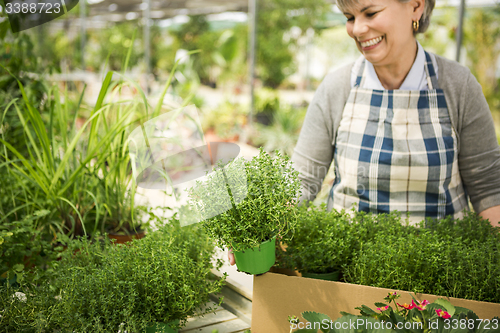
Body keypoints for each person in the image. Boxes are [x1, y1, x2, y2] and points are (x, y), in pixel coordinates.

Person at [228, 0, 500, 266]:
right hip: (349, 272)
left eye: (370, 12)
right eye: (350, 17)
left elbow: (488, 188)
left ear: (415, 6)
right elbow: (303, 177)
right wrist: (257, 225)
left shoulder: (457, 85)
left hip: (441, 275)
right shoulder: (337, 87)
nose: (357, 29)